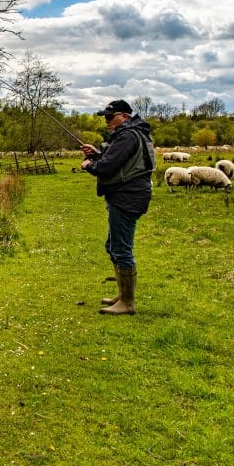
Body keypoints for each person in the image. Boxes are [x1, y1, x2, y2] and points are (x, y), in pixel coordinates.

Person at [80, 99, 155, 315]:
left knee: (121, 249)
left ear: (124, 116)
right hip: (126, 195)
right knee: (112, 246)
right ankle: (123, 295)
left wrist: (89, 165)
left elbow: (107, 167)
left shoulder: (129, 135)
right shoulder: (131, 134)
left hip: (127, 197)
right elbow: (118, 160)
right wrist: (96, 153)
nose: (106, 121)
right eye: (105, 116)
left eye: (109, 117)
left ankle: (127, 302)